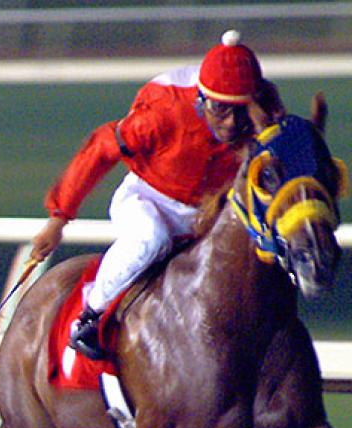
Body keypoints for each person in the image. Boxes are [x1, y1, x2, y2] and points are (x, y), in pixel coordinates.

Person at [31, 30, 276, 360]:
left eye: (240, 111)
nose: (232, 124)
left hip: (211, 213)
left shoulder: (266, 113)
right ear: (201, 101)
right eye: (220, 110)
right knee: (150, 238)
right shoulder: (164, 113)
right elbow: (101, 148)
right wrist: (59, 218)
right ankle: (91, 315)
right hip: (149, 200)